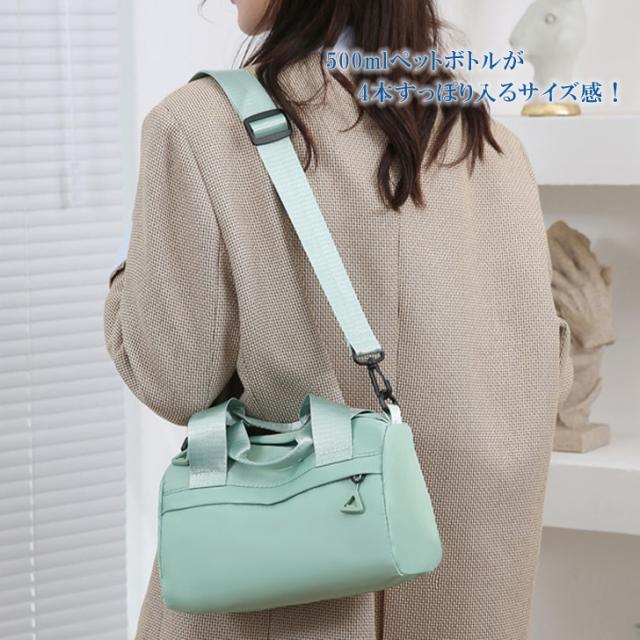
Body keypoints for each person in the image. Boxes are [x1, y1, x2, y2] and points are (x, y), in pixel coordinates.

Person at [103, 1, 574, 638]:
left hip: (279, 597)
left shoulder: (200, 128)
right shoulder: (486, 142)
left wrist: (128, 277)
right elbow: (541, 373)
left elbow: (174, 379)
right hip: (468, 596)